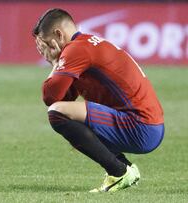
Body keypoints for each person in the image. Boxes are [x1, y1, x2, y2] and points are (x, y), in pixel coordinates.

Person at [32, 8, 164, 192]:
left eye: (45, 44)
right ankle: (125, 168)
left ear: (58, 35)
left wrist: (55, 64)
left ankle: (119, 172)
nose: (44, 51)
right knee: (69, 119)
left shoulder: (75, 50)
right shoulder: (85, 44)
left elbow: (51, 97)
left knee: (57, 113)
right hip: (148, 125)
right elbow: (65, 97)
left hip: (141, 127)